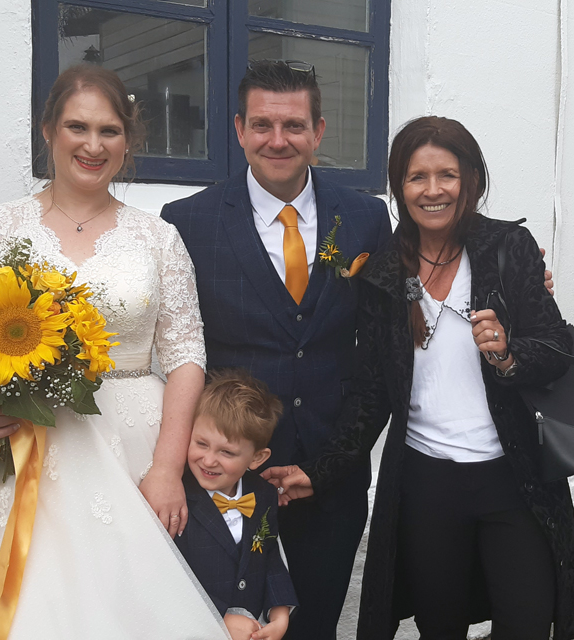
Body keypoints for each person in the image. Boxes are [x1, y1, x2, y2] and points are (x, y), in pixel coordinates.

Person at [0, 64, 230, 639]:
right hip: (14, 444)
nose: (93, 145)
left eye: (109, 131)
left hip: (131, 447)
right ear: (48, 131)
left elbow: (188, 354)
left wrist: (168, 467)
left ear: (128, 140)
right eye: (77, 127)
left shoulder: (157, 237)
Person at [264, 116, 574, 639]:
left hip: (514, 478)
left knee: (527, 623)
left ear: (470, 180)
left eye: (447, 175)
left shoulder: (509, 248)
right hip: (427, 484)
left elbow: (555, 346)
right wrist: (320, 470)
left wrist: (506, 354)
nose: (433, 191)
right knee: (439, 626)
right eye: (416, 177)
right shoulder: (385, 271)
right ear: (398, 186)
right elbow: (371, 391)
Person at [161, 59, 392, 639]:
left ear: (318, 132)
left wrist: (329, 466)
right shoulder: (186, 222)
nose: (277, 140)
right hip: (223, 478)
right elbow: (174, 347)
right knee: (224, 627)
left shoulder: (366, 218)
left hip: (327, 478)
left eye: (293, 125)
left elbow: (380, 355)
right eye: (262, 125)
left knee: (313, 625)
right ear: (239, 130)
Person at [175, 369, 298, 640]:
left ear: (256, 458)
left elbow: (269, 557)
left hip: (251, 628)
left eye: (226, 452)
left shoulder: (263, 495)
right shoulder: (178, 497)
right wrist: (221, 617)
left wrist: (280, 613)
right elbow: (170, 575)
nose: (208, 460)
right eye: (201, 444)